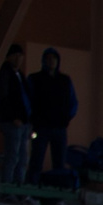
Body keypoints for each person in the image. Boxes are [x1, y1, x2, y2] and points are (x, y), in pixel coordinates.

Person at [26, 48, 77, 178]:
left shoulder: (65, 80)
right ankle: (32, 190)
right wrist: (33, 118)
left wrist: (66, 119)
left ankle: (57, 193)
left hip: (60, 128)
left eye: (54, 58)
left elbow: (73, 102)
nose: (51, 61)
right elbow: (27, 100)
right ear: (43, 61)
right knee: (36, 161)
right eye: (48, 58)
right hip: (41, 127)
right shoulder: (35, 79)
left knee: (59, 163)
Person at [0, 46, 32, 186]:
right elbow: (2, 98)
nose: (18, 59)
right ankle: (7, 187)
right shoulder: (4, 73)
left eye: (20, 55)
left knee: (22, 158)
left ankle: (18, 188)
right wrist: (13, 117)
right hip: (12, 122)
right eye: (15, 55)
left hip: (24, 123)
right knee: (12, 156)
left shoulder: (20, 75)